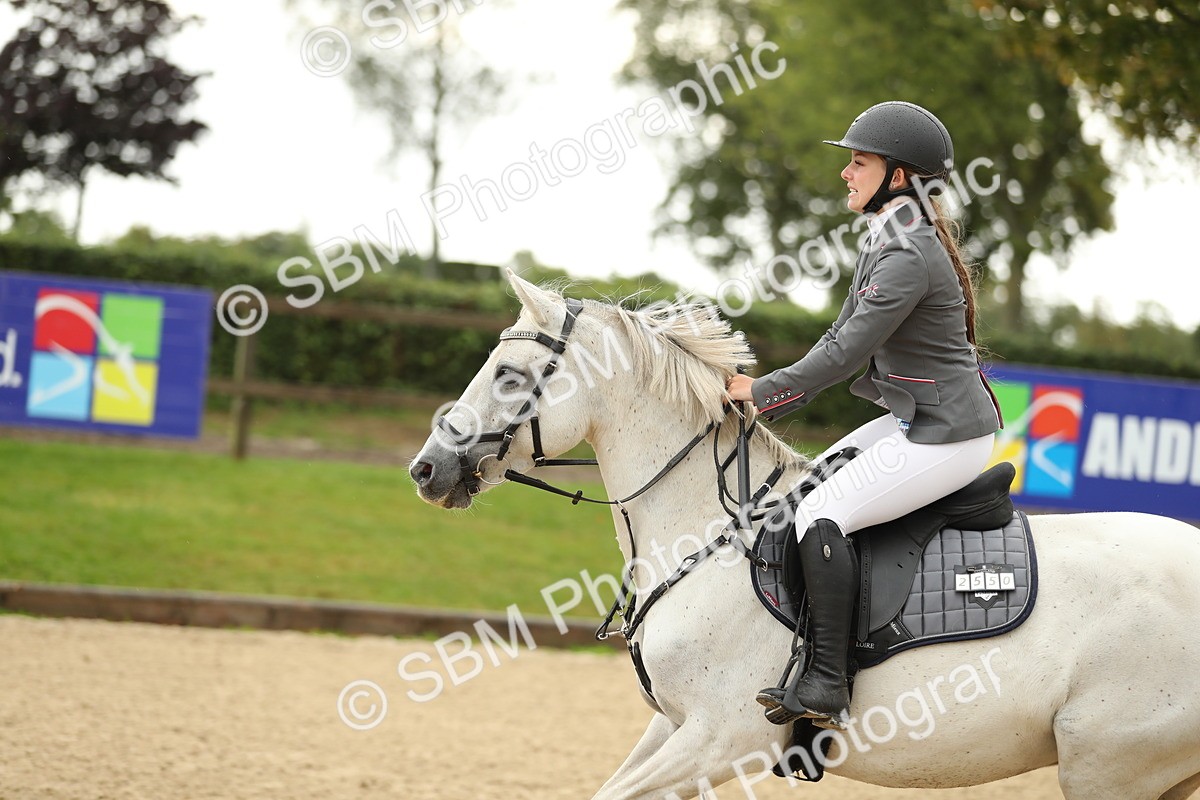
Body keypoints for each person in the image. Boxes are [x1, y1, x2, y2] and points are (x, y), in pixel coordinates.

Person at [724, 100, 1002, 730]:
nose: (845, 174)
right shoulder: (894, 238)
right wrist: (763, 386)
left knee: (822, 512)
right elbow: (839, 334)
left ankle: (827, 680)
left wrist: (761, 392)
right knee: (807, 489)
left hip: (946, 436)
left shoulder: (907, 254)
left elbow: (846, 354)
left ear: (897, 176)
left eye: (858, 162)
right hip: (918, 419)